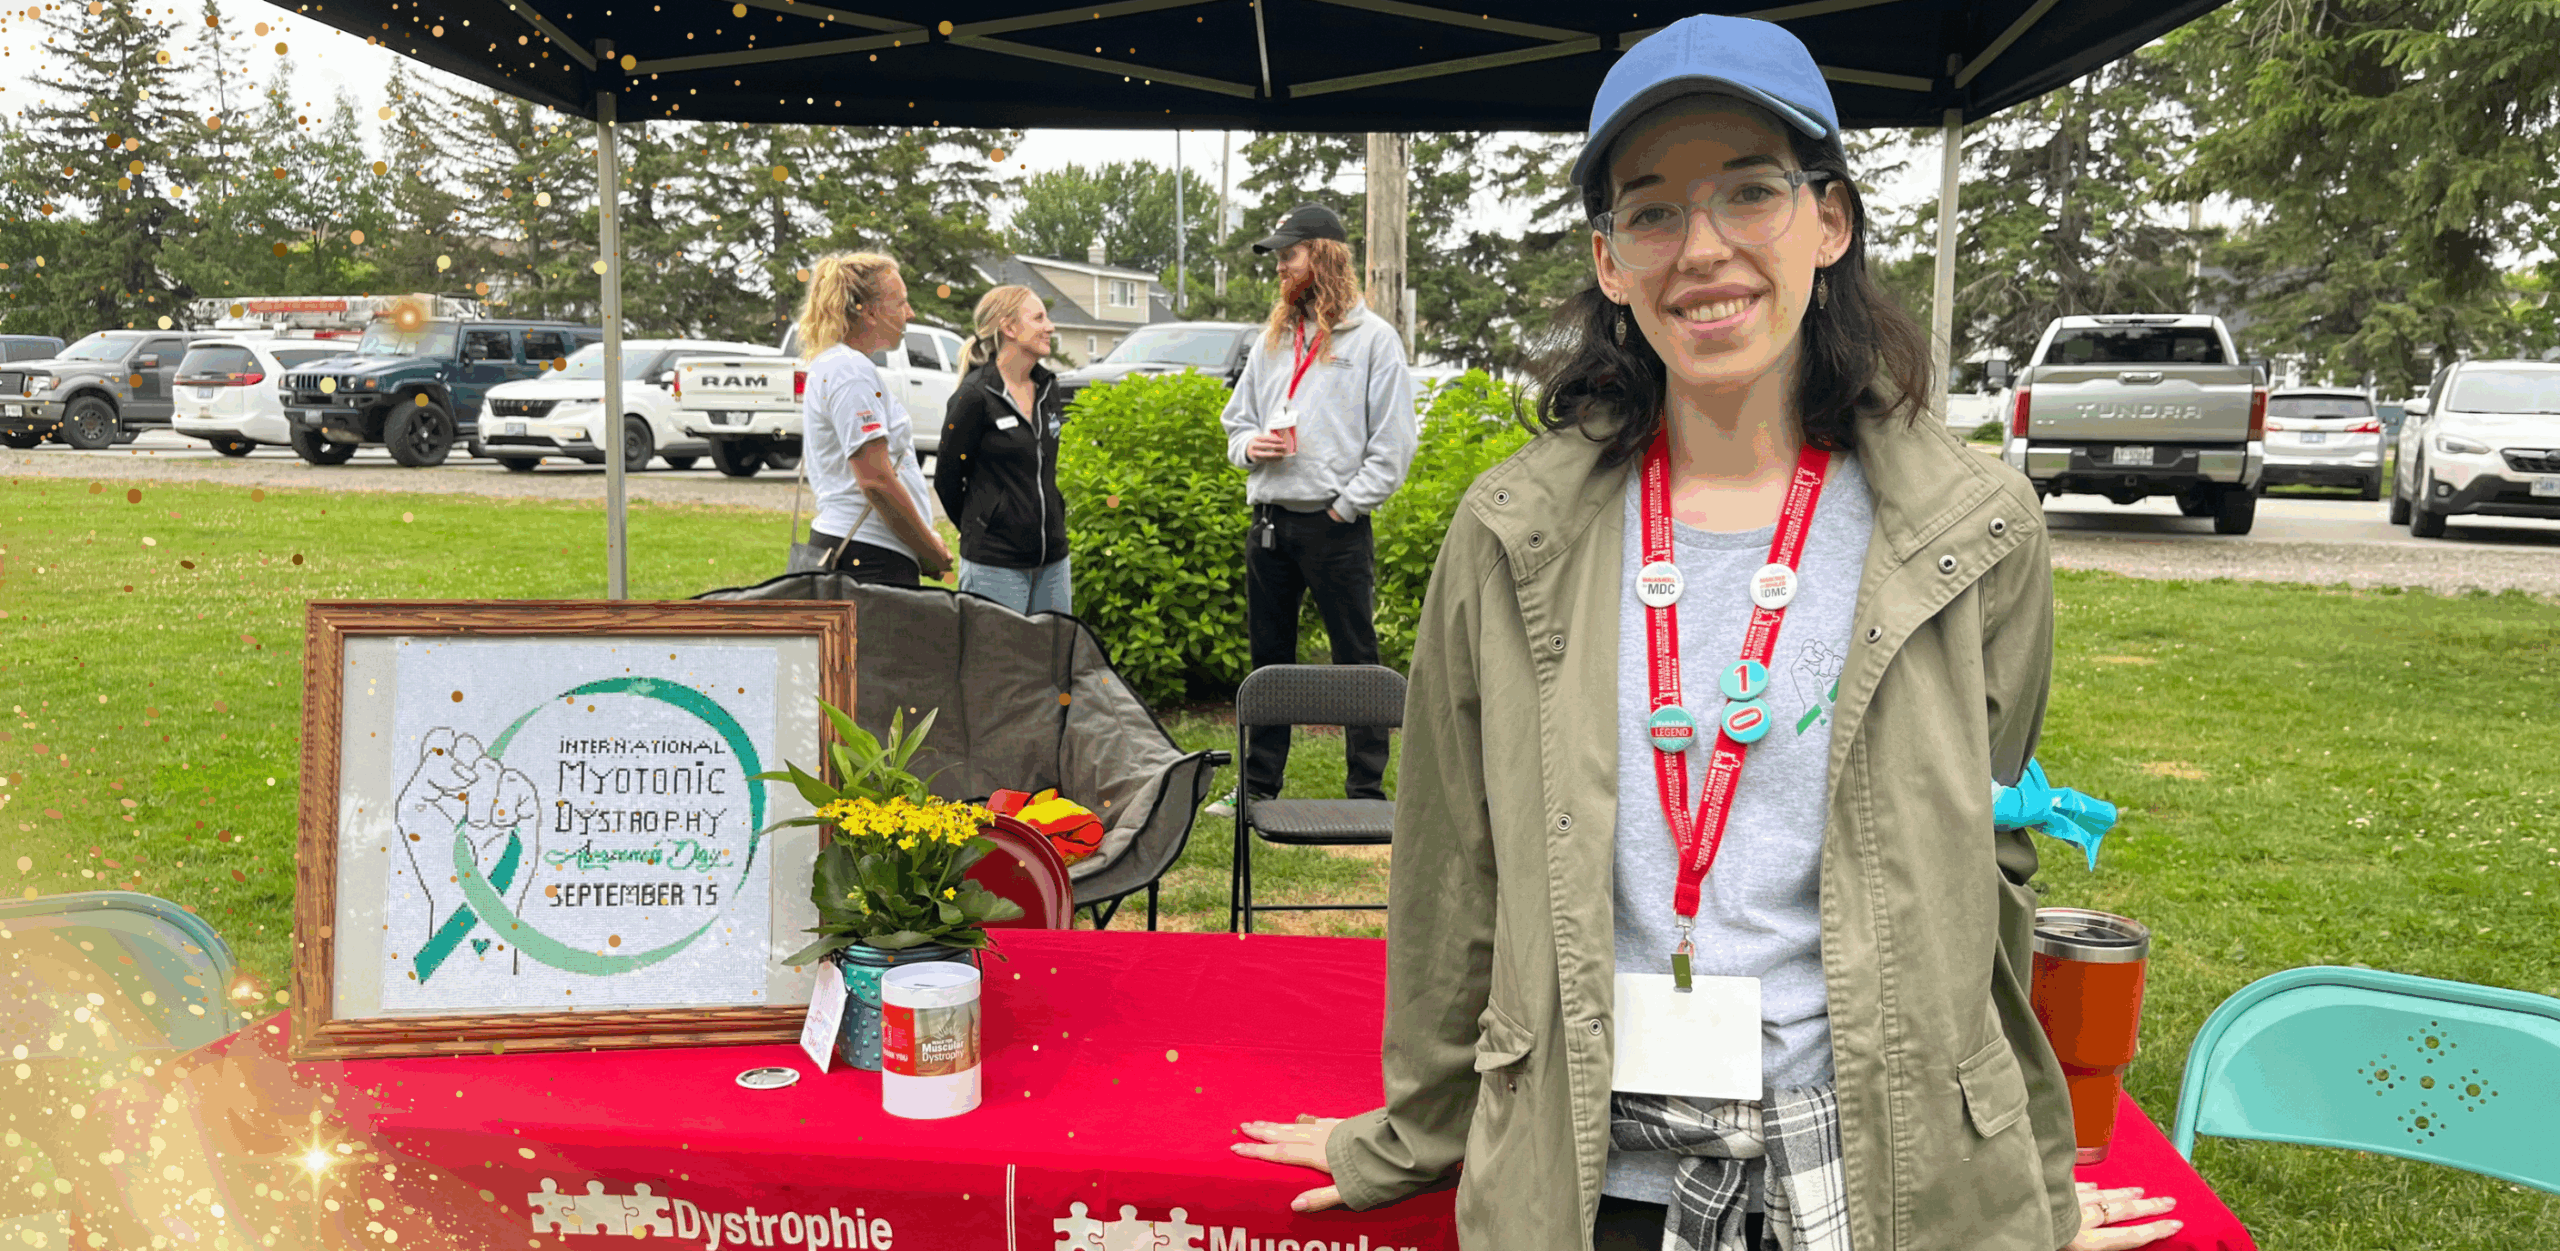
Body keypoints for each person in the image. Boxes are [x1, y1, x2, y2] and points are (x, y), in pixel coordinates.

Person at [1229, 16, 2183, 1251]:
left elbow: (1987, 866)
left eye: (1751, 192)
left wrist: (2025, 1181)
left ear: (1829, 223)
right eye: (1653, 211)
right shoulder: (1513, 532)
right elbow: (1453, 863)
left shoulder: (1972, 526)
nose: (1705, 247)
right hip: (1595, 1181)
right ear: (1610, 260)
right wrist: (1414, 1129)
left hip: (1872, 1176)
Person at [1208, 203, 1417, 816]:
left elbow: (1394, 444)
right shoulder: (1271, 339)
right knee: (1268, 657)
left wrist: (1345, 510)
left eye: (1288, 254)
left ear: (1323, 257)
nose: (1279, 266)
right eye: (1277, 257)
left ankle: (1367, 791)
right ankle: (1257, 787)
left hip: (1335, 527)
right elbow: (1235, 424)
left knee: (1357, 657)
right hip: (1269, 525)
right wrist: (1251, 447)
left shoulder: (1374, 341)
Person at [796, 251, 951, 587]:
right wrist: (929, 550)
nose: (910, 314)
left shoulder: (838, 364)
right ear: (867, 310)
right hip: (868, 559)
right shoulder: (850, 370)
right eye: (900, 303)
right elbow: (876, 481)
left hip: (865, 551)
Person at [934, 285, 1072, 614]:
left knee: (1050, 663)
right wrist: (984, 527)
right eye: (1039, 318)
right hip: (995, 567)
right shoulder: (974, 397)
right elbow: (947, 480)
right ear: (1009, 328)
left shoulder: (1049, 388)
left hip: (1053, 563)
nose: (1049, 326)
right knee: (997, 664)